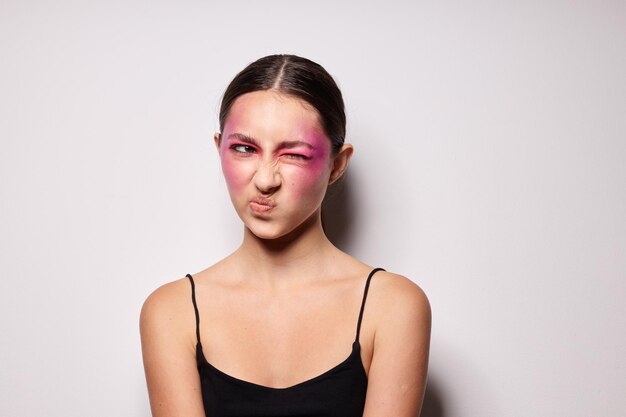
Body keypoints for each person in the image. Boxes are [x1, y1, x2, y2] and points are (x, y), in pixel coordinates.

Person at [140, 54, 431, 417]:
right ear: (219, 149)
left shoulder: (391, 307)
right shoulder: (172, 312)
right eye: (244, 149)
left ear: (337, 165)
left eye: (293, 155)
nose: (265, 180)